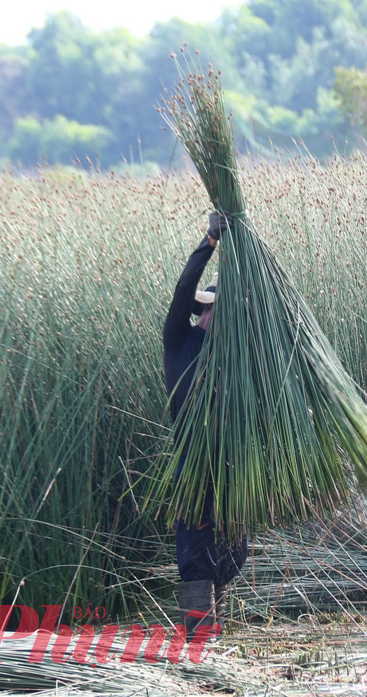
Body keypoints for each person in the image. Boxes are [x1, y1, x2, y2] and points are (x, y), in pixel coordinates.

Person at [163, 211, 247, 638]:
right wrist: (210, 242)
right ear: (210, 310)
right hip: (192, 467)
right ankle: (200, 643)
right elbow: (182, 291)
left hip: (230, 466)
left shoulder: (234, 358)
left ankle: (217, 639)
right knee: (195, 557)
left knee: (234, 552)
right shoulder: (180, 340)